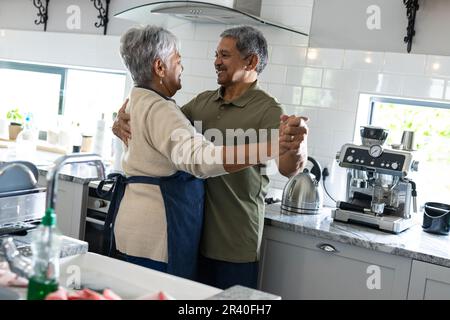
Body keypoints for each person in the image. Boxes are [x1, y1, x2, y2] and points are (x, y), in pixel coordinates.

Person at [113, 26, 308, 288]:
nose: (216, 61)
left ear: (251, 61)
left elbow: (288, 169)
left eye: (225, 55)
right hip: (192, 237)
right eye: (216, 54)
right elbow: (157, 127)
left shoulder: (268, 110)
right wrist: (122, 120)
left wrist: (296, 146)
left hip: (234, 241)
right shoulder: (201, 103)